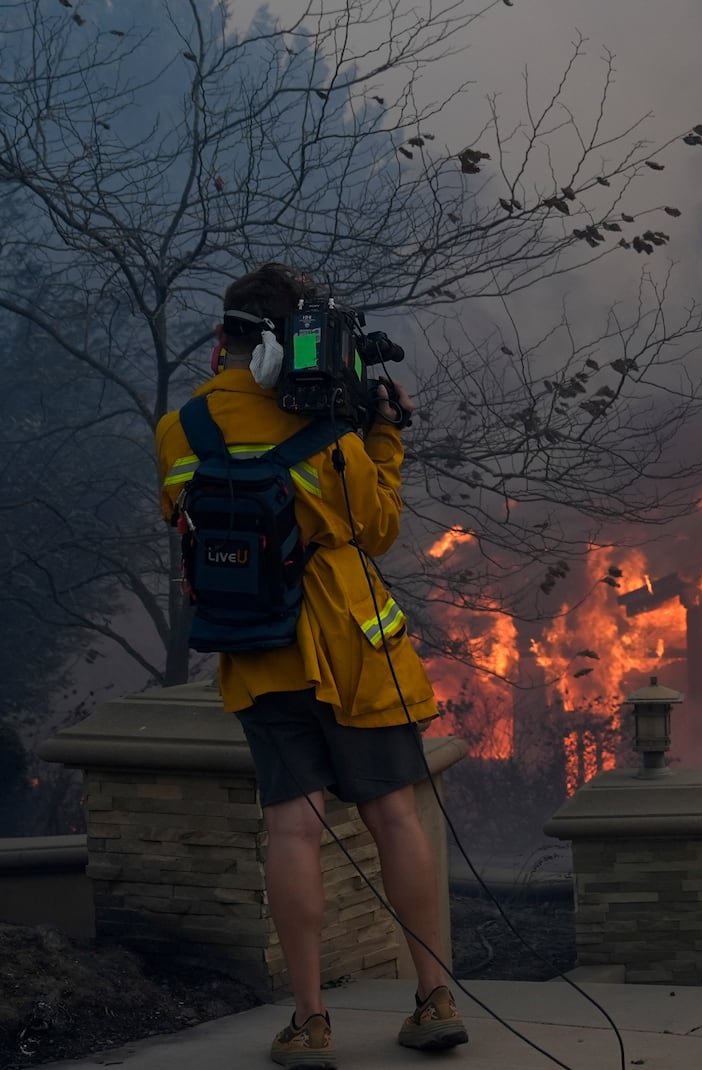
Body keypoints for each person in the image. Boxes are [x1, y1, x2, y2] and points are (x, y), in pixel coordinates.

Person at [155, 264, 467, 1068]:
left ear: (224, 341)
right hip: (353, 648)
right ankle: (434, 1000)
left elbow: (182, 511)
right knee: (393, 814)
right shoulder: (332, 435)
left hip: (258, 651)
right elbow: (381, 528)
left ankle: (309, 1020)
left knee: (290, 826)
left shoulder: (180, 429)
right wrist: (383, 435)